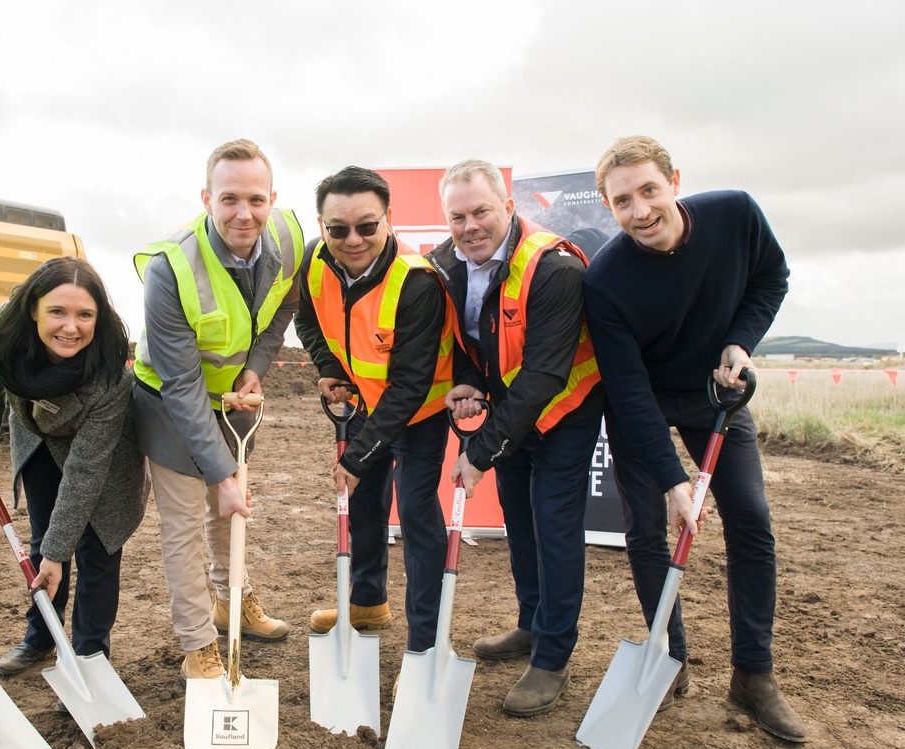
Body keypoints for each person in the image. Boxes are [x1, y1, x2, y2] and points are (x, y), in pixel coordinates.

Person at [584, 135, 804, 742]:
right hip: (643, 401)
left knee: (752, 520)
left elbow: (771, 278)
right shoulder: (605, 281)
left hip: (715, 391)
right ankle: (668, 659)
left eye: (649, 191)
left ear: (674, 180)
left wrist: (740, 340)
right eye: (623, 201)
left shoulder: (736, 214)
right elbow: (626, 392)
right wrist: (676, 482)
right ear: (610, 207)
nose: (641, 211)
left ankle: (753, 676)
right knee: (646, 527)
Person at [426, 160, 604, 717]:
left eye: (481, 211)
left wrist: (479, 452)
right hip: (511, 412)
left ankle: (553, 657)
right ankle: (531, 625)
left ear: (508, 207)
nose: (470, 226)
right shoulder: (444, 263)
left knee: (553, 526)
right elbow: (471, 342)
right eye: (457, 216)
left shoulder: (554, 269)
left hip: (563, 411)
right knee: (520, 523)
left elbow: (544, 375)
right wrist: (467, 381)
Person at [131, 139, 301, 681]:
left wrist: (258, 362)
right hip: (168, 400)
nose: (243, 213)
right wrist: (223, 472)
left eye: (255, 199)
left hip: (234, 398)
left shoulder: (291, 238)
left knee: (227, 511)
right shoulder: (170, 268)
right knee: (185, 522)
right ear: (206, 198)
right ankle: (199, 645)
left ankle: (236, 601)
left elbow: (284, 306)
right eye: (229, 199)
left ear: (272, 198)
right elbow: (181, 385)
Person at [0, 257, 149, 683]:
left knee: (96, 550)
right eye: (57, 312)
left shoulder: (110, 375)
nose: (71, 327)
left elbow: (87, 469)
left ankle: (89, 657)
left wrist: (59, 552)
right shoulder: (5, 332)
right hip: (39, 441)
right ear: (33, 309)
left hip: (102, 458)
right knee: (44, 542)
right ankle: (41, 636)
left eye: (85, 315)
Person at [295, 166, 456, 660]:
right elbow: (305, 316)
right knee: (362, 505)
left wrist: (358, 456)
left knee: (415, 514)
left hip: (418, 413)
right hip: (363, 402)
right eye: (338, 228)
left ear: (389, 218)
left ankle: (424, 645)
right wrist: (328, 367)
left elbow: (409, 387)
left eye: (367, 225)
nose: (353, 239)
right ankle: (366, 603)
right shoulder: (314, 261)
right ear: (322, 226)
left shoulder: (418, 281)